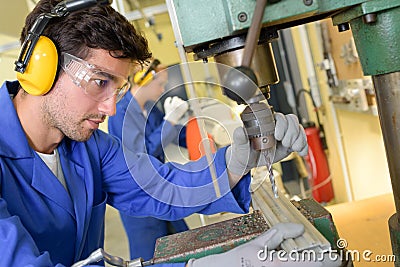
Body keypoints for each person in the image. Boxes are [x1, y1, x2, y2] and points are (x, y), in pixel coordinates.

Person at [0, 0, 338, 266]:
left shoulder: (90, 148)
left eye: (116, 90)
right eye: (99, 82)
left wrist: (239, 161)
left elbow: (162, 187)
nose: (111, 109)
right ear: (39, 67)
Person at [108, 60, 189, 261]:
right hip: (138, 195)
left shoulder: (151, 107)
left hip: (160, 187)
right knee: (149, 255)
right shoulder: (120, 113)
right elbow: (142, 154)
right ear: (143, 81)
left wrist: (202, 136)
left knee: (183, 243)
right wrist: (170, 120)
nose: (163, 89)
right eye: (160, 84)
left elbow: (172, 134)